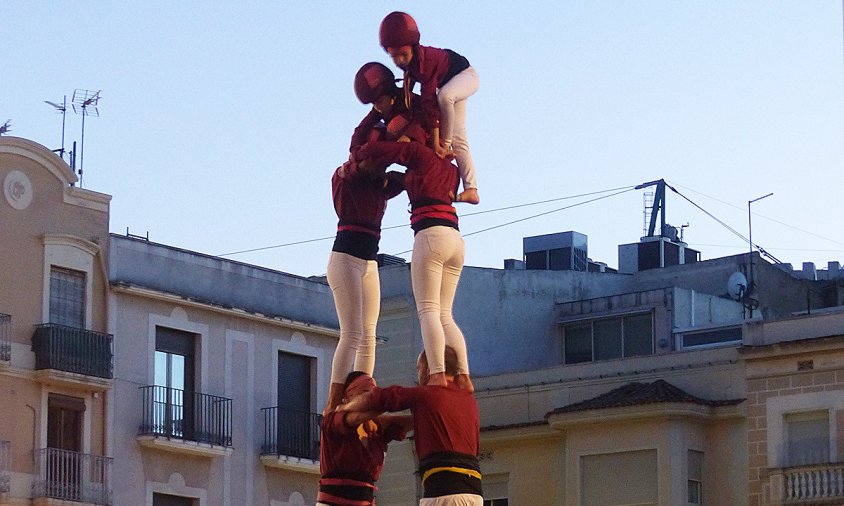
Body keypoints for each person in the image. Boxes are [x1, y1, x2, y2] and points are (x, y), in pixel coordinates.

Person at [353, 139, 473, 392]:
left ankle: (438, 373)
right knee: (445, 313)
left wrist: (360, 154)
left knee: (428, 311)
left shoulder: (421, 155)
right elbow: (409, 178)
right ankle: (464, 375)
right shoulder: (449, 170)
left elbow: (389, 149)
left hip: (430, 235)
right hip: (455, 239)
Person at [340, 347, 483, 505]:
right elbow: (413, 422)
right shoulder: (468, 400)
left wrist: (343, 409)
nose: (418, 374)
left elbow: (377, 398)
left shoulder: (426, 394)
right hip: (474, 493)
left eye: (419, 369)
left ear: (429, 369)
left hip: (444, 490)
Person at [324, 147, 405, 414]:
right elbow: (351, 169)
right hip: (345, 259)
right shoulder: (347, 176)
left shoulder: (380, 183)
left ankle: (363, 396)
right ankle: (333, 404)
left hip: (368, 262)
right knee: (353, 332)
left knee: (369, 334)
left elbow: (409, 174)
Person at [379, 11, 481, 205]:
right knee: (461, 139)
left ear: (413, 47)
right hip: (450, 86)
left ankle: (445, 144)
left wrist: (439, 142)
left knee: (444, 97)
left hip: (466, 76)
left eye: (403, 54)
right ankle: (471, 189)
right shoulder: (410, 73)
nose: (400, 60)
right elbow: (413, 104)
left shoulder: (426, 61)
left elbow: (429, 102)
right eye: (394, 57)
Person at [318, 372, 412, 506]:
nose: (371, 398)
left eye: (374, 393)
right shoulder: (332, 420)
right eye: (365, 392)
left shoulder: (376, 429)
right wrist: (386, 402)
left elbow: (409, 422)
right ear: (347, 397)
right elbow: (355, 418)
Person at [351, 61, 427, 150]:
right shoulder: (379, 109)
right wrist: (355, 148)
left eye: (379, 101)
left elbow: (424, 116)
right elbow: (363, 127)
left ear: (389, 92)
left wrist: (409, 136)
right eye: (373, 104)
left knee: (395, 125)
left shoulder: (409, 99)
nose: (377, 107)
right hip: (398, 147)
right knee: (373, 134)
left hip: (424, 140)